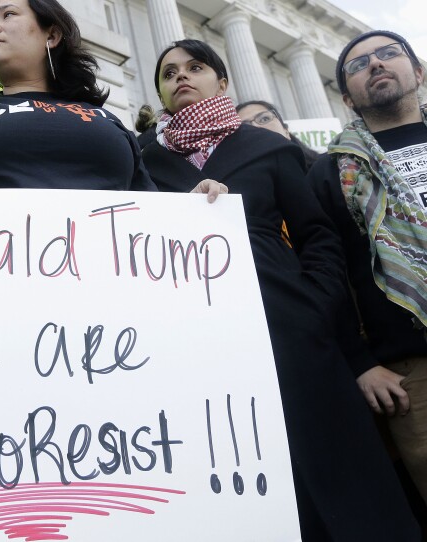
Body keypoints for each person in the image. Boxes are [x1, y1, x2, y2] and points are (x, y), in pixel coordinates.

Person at [141, 38, 420, 540]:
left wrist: (312, 302)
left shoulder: (268, 147)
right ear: (160, 92)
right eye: (168, 73)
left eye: (196, 66)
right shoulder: (142, 161)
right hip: (196, 337)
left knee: (333, 468)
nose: (181, 76)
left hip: (292, 326)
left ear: (221, 82)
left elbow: (318, 236)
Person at [307, 30, 427, 507]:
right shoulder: (330, 172)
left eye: (388, 55)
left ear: (417, 72)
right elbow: (326, 273)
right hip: (413, 367)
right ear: (347, 98)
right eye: (359, 65)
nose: (375, 65)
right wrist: (361, 363)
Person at [0, 0, 155, 194]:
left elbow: (156, 211)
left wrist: (193, 202)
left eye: (8, 14)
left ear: (51, 35)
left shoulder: (108, 119)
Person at [236, 100, 321, 169]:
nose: (256, 127)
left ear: (286, 131)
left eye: (264, 119)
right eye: (245, 127)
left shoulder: (327, 168)